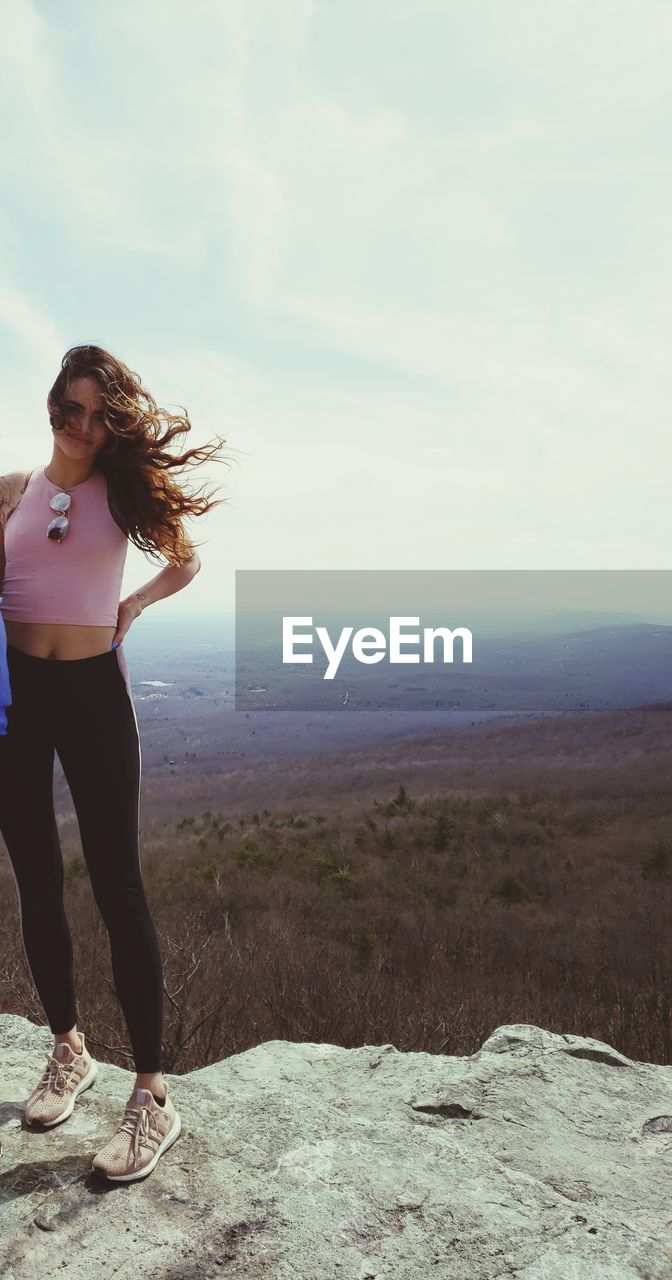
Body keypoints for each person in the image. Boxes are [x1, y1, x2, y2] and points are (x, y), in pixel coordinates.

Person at [0, 343, 228, 1182]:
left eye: (100, 415)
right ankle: (68, 1049)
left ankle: (152, 1098)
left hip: (95, 693)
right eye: (72, 409)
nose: (84, 427)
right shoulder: (12, 493)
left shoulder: (121, 491)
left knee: (116, 882)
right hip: (16, 700)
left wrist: (131, 602)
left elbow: (187, 557)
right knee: (34, 874)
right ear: (51, 406)